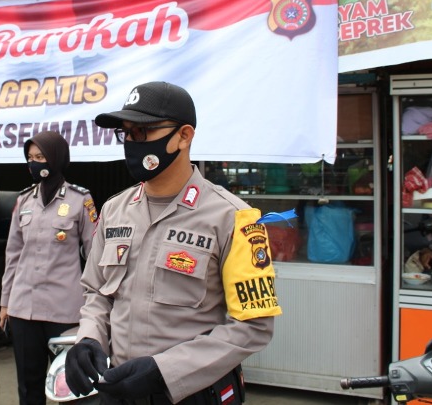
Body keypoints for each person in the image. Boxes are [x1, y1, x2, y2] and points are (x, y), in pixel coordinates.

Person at [65, 81, 282, 404]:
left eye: (144, 132)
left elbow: (253, 326)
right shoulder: (114, 210)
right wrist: (88, 340)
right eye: (127, 133)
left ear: (184, 136)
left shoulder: (234, 218)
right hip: (119, 389)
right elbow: (97, 292)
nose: (133, 143)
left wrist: (164, 370)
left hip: (191, 394)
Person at [0, 130, 99, 405]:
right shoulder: (23, 201)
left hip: (64, 310)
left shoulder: (81, 200)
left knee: (71, 387)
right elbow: (13, 255)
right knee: (28, 388)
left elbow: (94, 256)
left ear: (56, 158)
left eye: (40, 157)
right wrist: (5, 302)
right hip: (23, 309)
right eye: (30, 158)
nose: (35, 164)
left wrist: (96, 307)